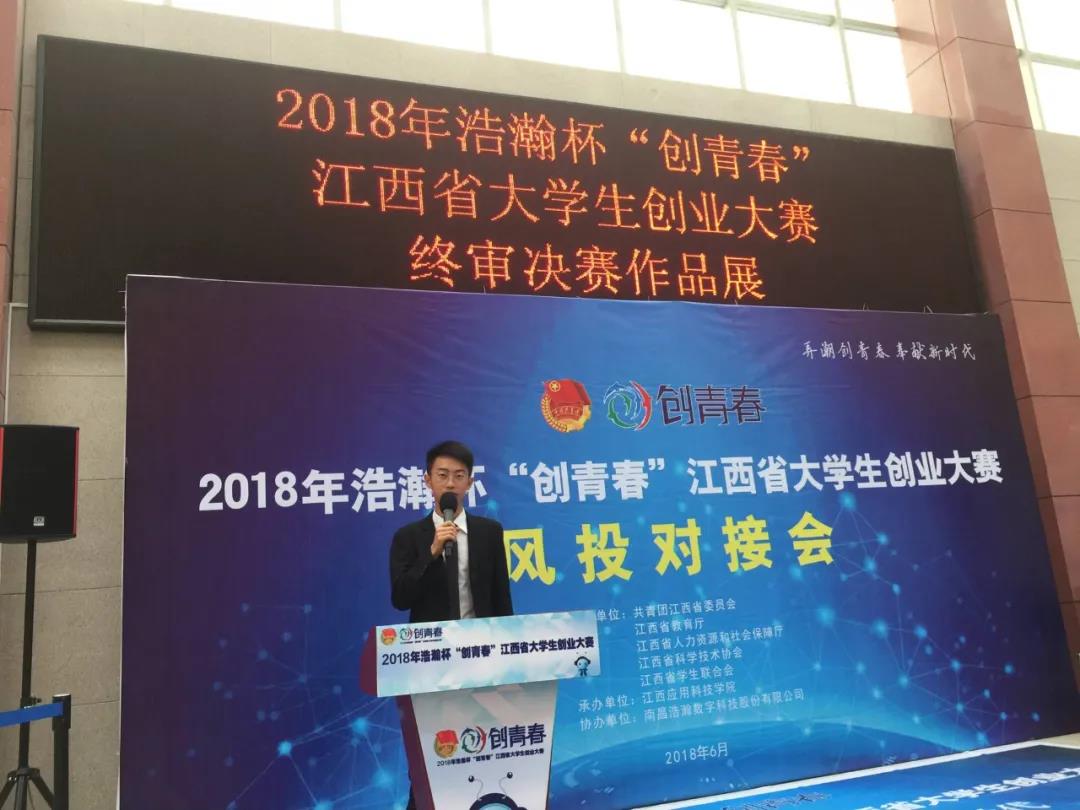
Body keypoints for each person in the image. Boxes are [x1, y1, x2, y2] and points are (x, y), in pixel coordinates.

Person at [388, 440, 513, 810]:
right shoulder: (409, 537)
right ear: (427, 480)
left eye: (459, 476)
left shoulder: (489, 532)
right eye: (442, 475)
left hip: (481, 661)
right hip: (431, 664)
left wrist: (508, 660)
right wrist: (430, 553)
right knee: (432, 759)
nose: (451, 483)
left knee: (484, 750)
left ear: (470, 483)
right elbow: (401, 598)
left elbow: (501, 599)